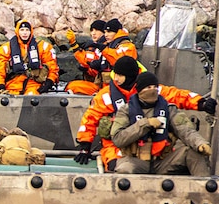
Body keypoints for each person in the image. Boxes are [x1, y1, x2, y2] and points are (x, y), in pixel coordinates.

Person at [74, 55, 215, 170]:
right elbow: (90, 119)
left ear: (129, 77)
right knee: (119, 167)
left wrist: (200, 103)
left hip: (157, 151)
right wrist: (85, 146)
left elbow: (176, 95)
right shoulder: (106, 96)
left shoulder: (149, 90)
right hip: (118, 148)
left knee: (190, 156)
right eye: (115, 74)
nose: (115, 78)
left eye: (119, 75)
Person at [109, 71, 213, 175]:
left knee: (192, 153)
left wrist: (200, 143)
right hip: (134, 161)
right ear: (139, 90)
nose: (152, 90)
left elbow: (185, 129)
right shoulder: (125, 110)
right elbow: (118, 139)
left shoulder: (169, 109)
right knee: (124, 170)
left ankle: (205, 187)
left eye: (155, 87)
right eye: (148, 87)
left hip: (162, 161)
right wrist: (145, 124)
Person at [0, 19, 59, 95]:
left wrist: (49, 81)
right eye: (22, 30)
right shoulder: (5, 49)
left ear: (31, 31)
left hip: (34, 85)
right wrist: (0, 84)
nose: (25, 33)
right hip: (13, 85)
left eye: (27, 30)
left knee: (31, 96)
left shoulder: (43, 47)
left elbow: (52, 66)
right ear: (17, 31)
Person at [64, 19, 107, 95]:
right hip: (99, 83)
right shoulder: (95, 47)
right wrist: (87, 69)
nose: (93, 33)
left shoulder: (104, 47)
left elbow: (86, 61)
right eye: (92, 30)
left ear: (104, 32)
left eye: (97, 30)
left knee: (72, 86)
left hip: (103, 87)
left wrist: (73, 44)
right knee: (71, 86)